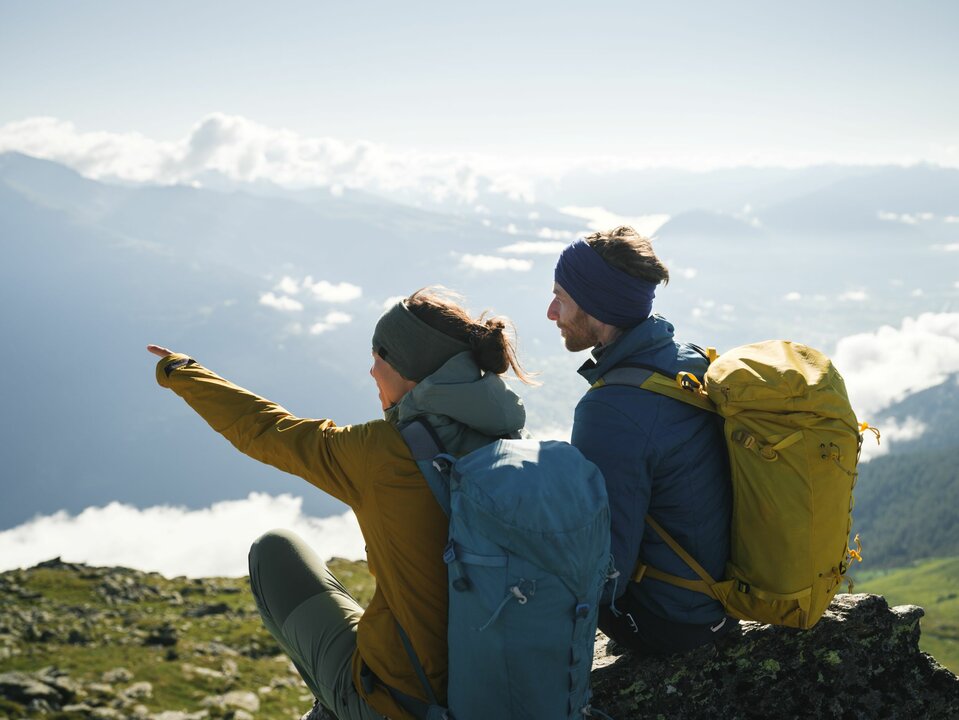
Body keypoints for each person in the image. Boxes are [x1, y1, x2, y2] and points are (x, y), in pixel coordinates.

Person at [148, 287, 530, 720]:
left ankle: (337, 707)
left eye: (377, 359)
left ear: (407, 370)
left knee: (275, 552)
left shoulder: (380, 452)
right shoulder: (520, 444)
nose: (370, 372)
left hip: (411, 707)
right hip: (526, 690)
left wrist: (181, 372)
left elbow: (266, 431)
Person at [546, 226, 734, 656]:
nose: (552, 312)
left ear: (597, 306)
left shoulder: (611, 409)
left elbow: (605, 566)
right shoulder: (685, 361)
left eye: (562, 298)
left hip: (673, 625)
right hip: (720, 600)